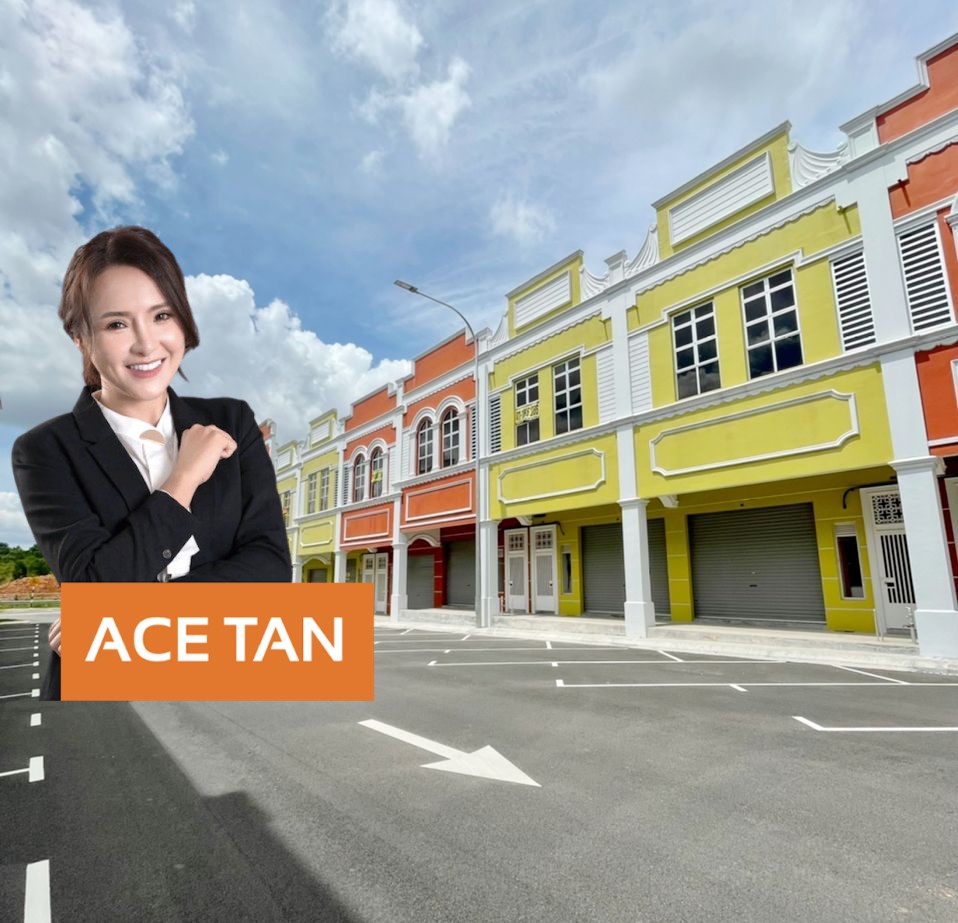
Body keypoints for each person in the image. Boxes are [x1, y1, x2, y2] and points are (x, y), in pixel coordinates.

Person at [12, 226, 292, 699]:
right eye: (116, 325)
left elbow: (270, 569)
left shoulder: (232, 421)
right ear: (80, 337)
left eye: (161, 315)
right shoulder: (44, 450)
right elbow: (94, 585)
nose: (146, 344)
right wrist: (183, 479)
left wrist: (129, 616)